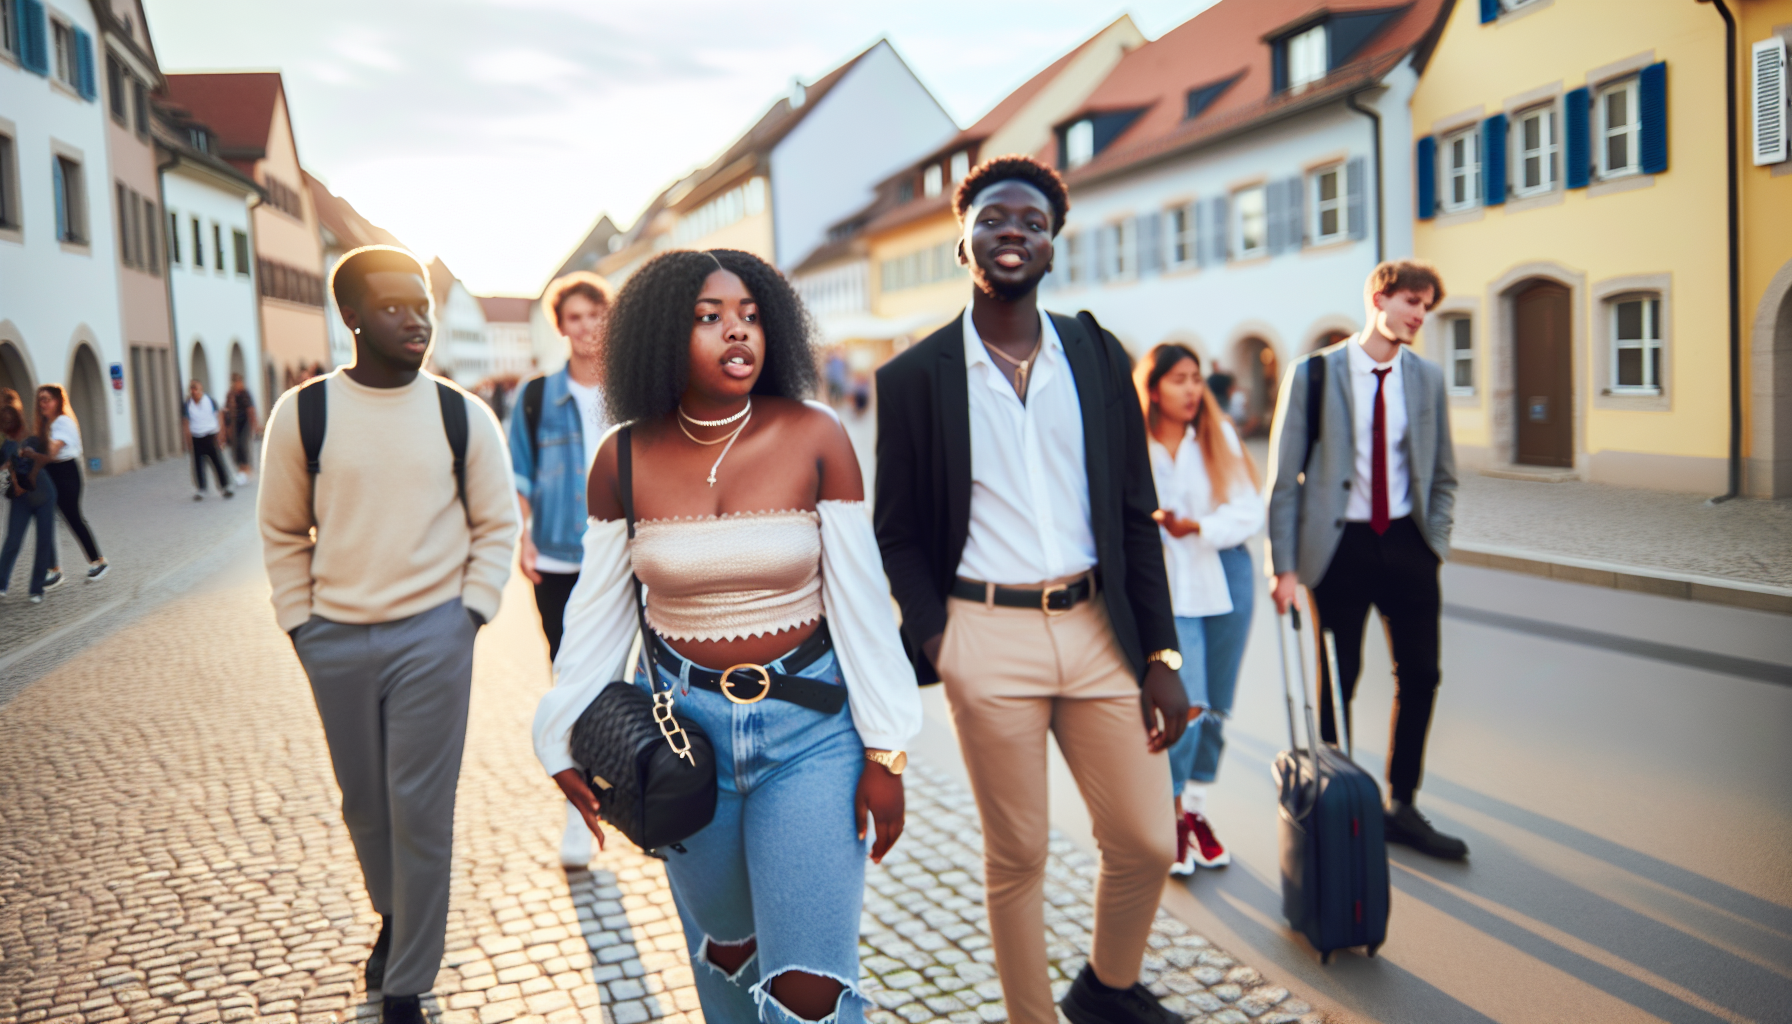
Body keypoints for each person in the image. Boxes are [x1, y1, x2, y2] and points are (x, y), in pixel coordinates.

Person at [534, 248, 920, 1024]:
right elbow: (598, 616)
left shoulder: (816, 435)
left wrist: (886, 749)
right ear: (658, 335)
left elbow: (863, 606)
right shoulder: (621, 457)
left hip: (812, 735)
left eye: (750, 316)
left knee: (809, 992)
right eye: (709, 318)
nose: (737, 331)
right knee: (727, 956)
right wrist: (560, 733)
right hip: (682, 740)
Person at [873, 155, 1188, 1024]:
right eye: (994, 218)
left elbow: (1136, 513)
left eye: (1033, 222)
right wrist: (941, 640)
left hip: (1098, 629)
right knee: (1018, 856)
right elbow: (895, 530)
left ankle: (1107, 991)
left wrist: (1162, 654)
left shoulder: (1097, 354)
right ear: (963, 241)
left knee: (1147, 841)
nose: (1014, 231)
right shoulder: (914, 378)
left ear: (1053, 245)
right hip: (986, 633)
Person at [258, 245, 519, 1024]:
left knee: (421, 809)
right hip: (334, 638)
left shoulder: (460, 415)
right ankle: (396, 914)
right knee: (365, 806)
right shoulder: (303, 413)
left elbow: (497, 524)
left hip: (433, 636)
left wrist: (469, 614)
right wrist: (301, 624)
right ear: (351, 317)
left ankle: (407, 980)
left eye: (422, 307)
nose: (416, 322)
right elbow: (281, 530)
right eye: (394, 308)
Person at [1266, 258, 1466, 860]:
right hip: (1339, 548)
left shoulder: (1426, 378)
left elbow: (1444, 474)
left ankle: (1401, 804)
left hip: (1408, 542)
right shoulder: (1314, 374)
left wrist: (1435, 543)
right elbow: (1284, 480)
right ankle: (1339, 803)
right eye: (1412, 302)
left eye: (1426, 306)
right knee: (1340, 678)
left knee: (1422, 675)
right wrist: (1284, 567)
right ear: (1379, 298)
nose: (1419, 315)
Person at [1136, 344, 1263, 876]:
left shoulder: (1218, 434)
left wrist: (1199, 527)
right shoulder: (1134, 441)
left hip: (1224, 573)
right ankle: (1167, 817)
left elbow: (1249, 511)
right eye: (1178, 379)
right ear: (1153, 387)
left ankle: (1194, 811)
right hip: (1168, 584)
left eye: (1195, 378)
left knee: (1215, 708)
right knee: (1185, 706)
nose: (1192, 389)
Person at [507, 269, 616, 869]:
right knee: (569, 676)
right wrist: (524, 537)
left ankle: (638, 787)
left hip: (622, 555)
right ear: (561, 327)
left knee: (625, 677)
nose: (586, 327)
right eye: (575, 318)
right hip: (557, 556)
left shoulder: (629, 388)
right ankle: (579, 809)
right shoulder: (536, 397)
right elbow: (520, 474)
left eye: (595, 315)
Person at [35, 385, 108, 581]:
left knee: (74, 518)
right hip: (51, 472)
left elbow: (52, 452)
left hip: (65, 473)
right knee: (45, 519)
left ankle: (98, 561)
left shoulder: (63, 422)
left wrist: (37, 442)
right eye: (40, 400)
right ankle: (53, 568)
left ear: (57, 401)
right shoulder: (50, 423)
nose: (43, 404)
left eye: (47, 399)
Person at [0, 389, 60, 602]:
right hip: (21, 500)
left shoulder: (32, 439)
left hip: (44, 496)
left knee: (44, 541)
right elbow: (3, 474)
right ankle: (1, 583)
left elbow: (43, 460)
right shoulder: (6, 446)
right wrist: (7, 469)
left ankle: (36, 589)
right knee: (13, 541)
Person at [183, 379, 235, 501]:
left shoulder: (210, 401)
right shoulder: (188, 405)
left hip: (210, 435)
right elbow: (186, 423)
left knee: (218, 462)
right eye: (192, 390)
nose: (194, 392)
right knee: (198, 464)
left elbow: (219, 417)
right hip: (196, 436)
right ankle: (201, 489)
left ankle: (225, 486)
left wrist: (221, 435)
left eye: (196, 389)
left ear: (201, 389)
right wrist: (188, 441)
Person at [225, 373, 259, 483]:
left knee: (242, 444)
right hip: (234, 423)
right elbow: (227, 410)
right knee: (235, 446)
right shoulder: (230, 395)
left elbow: (251, 410)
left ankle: (246, 467)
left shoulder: (245, 394)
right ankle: (240, 467)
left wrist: (254, 425)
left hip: (245, 422)